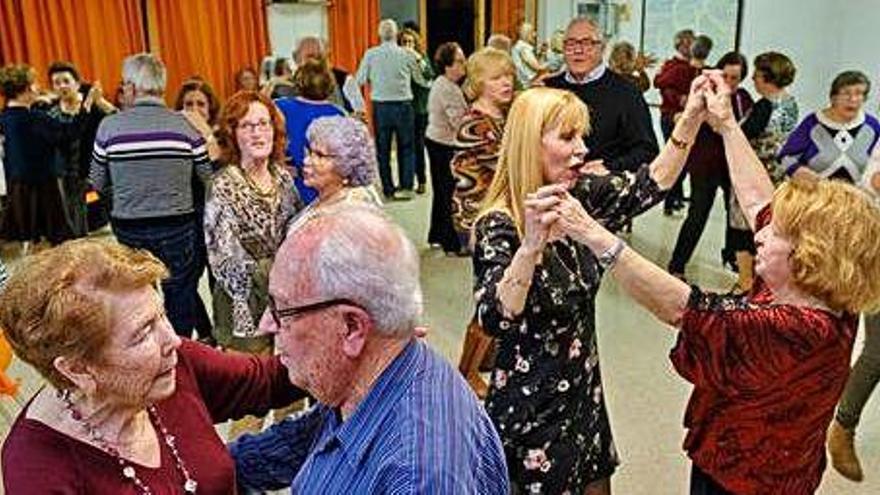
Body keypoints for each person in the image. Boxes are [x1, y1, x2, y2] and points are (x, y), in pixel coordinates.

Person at [547, 70, 880, 495]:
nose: (759, 233)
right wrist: (725, 124)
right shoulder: (826, 286)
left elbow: (683, 308)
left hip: (748, 477)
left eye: (775, 234)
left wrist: (595, 235)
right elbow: (760, 200)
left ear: (809, 255)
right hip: (775, 464)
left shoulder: (793, 326)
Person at [472, 79, 707, 494]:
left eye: (582, 135)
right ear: (531, 144)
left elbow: (652, 183)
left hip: (583, 398)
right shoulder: (499, 223)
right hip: (531, 412)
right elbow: (494, 316)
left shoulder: (579, 197)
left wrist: (690, 119)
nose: (583, 148)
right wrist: (530, 247)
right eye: (567, 137)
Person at [230, 206, 509, 493]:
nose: (266, 325)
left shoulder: (415, 475)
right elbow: (293, 444)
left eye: (282, 310)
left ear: (352, 327)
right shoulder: (366, 377)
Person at [0, 239, 306, 493]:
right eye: (143, 332)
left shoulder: (175, 362)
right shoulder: (37, 470)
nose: (172, 339)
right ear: (77, 369)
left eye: (161, 315)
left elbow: (269, 379)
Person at [90, 53, 212, 338]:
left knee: (138, 291)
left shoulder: (109, 126)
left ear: (131, 86)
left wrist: (122, 198)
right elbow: (207, 179)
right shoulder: (186, 126)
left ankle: (147, 348)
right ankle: (180, 354)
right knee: (180, 292)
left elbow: (96, 182)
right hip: (178, 224)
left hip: (128, 225)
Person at [204, 90, 302, 352]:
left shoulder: (283, 178)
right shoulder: (222, 185)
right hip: (243, 310)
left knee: (291, 383)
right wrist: (276, 278)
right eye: (247, 126)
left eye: (263, 124)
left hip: (289, 305)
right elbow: (223, 260)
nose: (257, 133)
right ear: (233, 135)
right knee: (250, 386)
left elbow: (298, 236)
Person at [451, 47, 516, 398]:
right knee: (490, 295)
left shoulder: (500, 118)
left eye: (508, 75)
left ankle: (484, 360)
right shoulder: (476, 123)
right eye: (496, 78)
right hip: (480, 220)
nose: (506, 82)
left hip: (499, 216)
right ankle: (467, 370)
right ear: (478, 84)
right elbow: (509, 168)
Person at [667, 52, 753, 282]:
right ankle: (677, 264)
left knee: (735, 216)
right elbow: (684, 118)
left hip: (732, 166)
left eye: (736, 77)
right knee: (698, 214)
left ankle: (733, 258)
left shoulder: (744, 98)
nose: (731, 82)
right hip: (705, 165)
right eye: (726, 76)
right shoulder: (707, 95)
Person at [544, 17, 658, 174]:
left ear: (602, 48)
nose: (578, 50)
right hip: (551, 188)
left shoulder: (627, 92)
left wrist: (609, 167)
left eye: (587, 43)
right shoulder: (548, 89)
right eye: (570, 43)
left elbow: (647, 151)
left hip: (604, 189)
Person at [732, 51, 799, 293]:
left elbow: (740, 137)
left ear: (768, 77)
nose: (753, 80)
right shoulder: (790, 103)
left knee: (742, 229)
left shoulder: (763, 107)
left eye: (757, 75)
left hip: (753, 174)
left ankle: (746, 282)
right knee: (769, 229)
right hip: (780, 177)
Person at [0, 64, 87, 249]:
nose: (38, 87)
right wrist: (85, 107)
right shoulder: (36, 118)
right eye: (34, 83)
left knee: (30, 238)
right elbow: (69, 134)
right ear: (27, 88)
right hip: (45, 187)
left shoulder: (5, 117)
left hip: (18, 187)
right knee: (56, 239)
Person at [355, 18, 430, 200]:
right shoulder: (407, 54)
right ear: (397, 34)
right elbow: (421, 80)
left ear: (379, 34)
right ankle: (405, 187)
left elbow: (359, 80)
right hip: (404, 106)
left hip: (381, 107)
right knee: (407, 148)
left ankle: (388, 189)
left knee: (383, 149)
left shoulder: (371, 54)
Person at [45, 61, 116, 238]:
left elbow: (117, 120)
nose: (62, 86)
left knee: (115, 207)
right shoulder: (51, 113)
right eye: (56, 82)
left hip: (97, 166)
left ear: (77, 83)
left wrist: (100, 101)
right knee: (76, 224)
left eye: (66, 81)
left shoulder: (92, 104)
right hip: (69, 173)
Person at [779, 70, 880, 183]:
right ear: (833, 97)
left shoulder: (872, 126)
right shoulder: (812, 123)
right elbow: (786, 157)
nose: (853, 99)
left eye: (859, 93)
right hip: (815, 196)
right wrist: (796, 170)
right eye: (846, 93)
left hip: (857, 197)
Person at [287, 116, 382, 232]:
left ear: (346, 166)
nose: (306, 161)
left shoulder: (351, 214)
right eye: (310, 152)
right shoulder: (329, 198)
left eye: (320, 155)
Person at [655, 32, 710, 215]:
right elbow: (660, 83)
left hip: (686, 118)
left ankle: (675, 197)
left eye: (692, 42)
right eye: (686, 42)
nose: (690, 45)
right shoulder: (675, 66)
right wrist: (679, 99)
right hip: (671, 117)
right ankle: (670, 200)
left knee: (683, 161)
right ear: (678, 45)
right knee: (674, 159)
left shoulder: (693, 68)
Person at [275, 59, 345, 204]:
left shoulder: (280, 107)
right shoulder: (338, 114)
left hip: (290, 186)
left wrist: (273, 82)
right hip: (327, 188)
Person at [426, 42, 469, 255]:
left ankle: (436, 235)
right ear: (447, 66)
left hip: (437, 141)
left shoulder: (445, 84)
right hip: (444, 145)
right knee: (448, 193)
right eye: (460, 61)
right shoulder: (447, 89)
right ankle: (451, 243)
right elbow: (459, 124)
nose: (464, 65)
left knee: (441, 191)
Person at [291, 36, 366, 118]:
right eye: (309, 57)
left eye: (317, 57)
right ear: (296, 59)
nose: (313, 62)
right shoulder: (289, 84)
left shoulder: (344, 79)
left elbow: (360, 112)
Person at [399, 27, 434, 194]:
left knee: (418, 145)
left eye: (410, 42)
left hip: (419, 108)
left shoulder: (421, 57)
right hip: (403, 108)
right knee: (404, 145)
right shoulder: (398, 59)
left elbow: (430, 75)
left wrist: (418, 58)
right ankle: (406, 181)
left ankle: (421, 180)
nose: (407, 45)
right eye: (404, 42)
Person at [511, 22, 547, 88]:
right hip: (527, 83)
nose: (535, 35)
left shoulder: (519, 46)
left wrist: (541, 53)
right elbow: (536, 66)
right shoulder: (523, 48)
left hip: (523, 81)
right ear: (527, 34)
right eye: (533, 32)